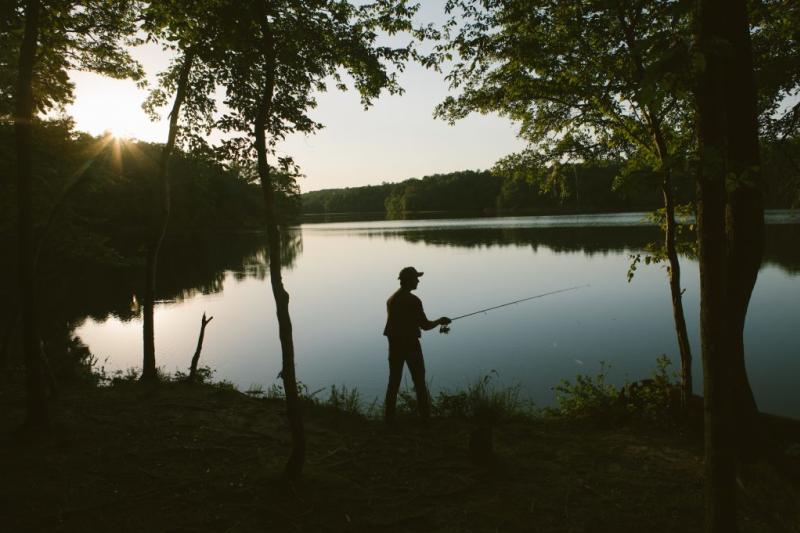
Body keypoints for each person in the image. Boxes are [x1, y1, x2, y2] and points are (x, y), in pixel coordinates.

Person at [383, 266, 451, 426]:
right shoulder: (413, 300)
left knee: (393, 382)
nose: (418, 281)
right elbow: (425, 325)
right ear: (409, 280)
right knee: (419, 381)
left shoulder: (391, 298)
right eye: (416, 278)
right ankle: (425, 418)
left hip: (394, 344)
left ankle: (389, 419)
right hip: (410, 344)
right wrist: (440, 320)